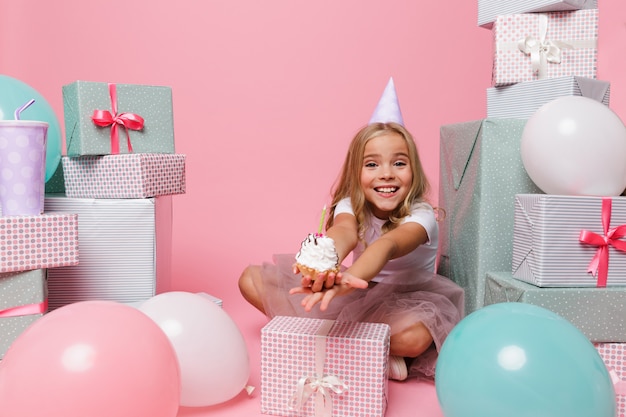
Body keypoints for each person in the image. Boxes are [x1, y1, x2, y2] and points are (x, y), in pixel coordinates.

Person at [238, 78, 464, 381]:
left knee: (415, 337)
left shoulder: (421, 215)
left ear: (414, 170)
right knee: (250, 279)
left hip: (409, 298)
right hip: (357, 291)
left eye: (399, 163)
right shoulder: (350, 205)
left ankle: (322, 341)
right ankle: (370, 350)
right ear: (357, 173)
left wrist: (353, 277)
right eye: (372, 165)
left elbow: (387, 246)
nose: (386, 174)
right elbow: (342, 232)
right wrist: (325, 266)